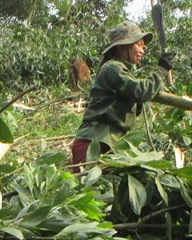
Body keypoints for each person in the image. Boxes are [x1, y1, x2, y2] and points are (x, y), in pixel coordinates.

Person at [69, 20, 173, 172]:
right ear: (123, 46)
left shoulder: (122, 71)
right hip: (93, 144)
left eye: (144, 46)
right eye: (138, 44)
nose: (142, 50)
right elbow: (140, 91)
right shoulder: (113, 68)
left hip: (108, 145)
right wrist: (160, 71)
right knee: (89, 191)